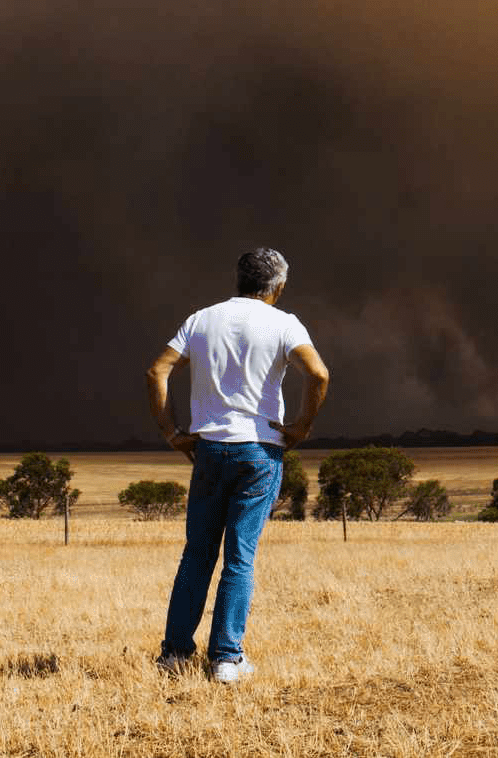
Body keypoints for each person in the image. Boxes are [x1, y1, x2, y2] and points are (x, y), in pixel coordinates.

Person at [146, 247, 330, 683]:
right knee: (240, 559)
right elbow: (319, 375)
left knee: (197, 554)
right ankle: (226, 659)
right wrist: (300, 426)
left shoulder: (201, 319)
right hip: (259, 451)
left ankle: (174, 654)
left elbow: (157, 371)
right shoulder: (285, 324)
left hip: (208, 448)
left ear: (238, 279)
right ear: (279, 286)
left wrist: (172, 432)